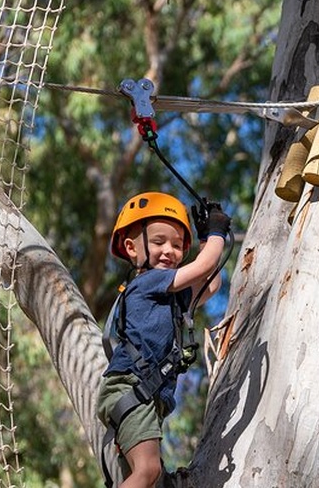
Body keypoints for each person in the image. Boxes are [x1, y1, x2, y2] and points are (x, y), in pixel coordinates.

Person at [97, 192, 231, 487]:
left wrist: (204, 238)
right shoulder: (146, 283)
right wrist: (217, 231)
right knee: (147, 471)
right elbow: (203, 266)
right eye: (159, 242)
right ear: (132, 249)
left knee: (154, 479)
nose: (169, 251)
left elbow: (211, 282)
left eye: (177, 245)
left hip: (144, 396)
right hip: (130, 389)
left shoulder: (169, 296)